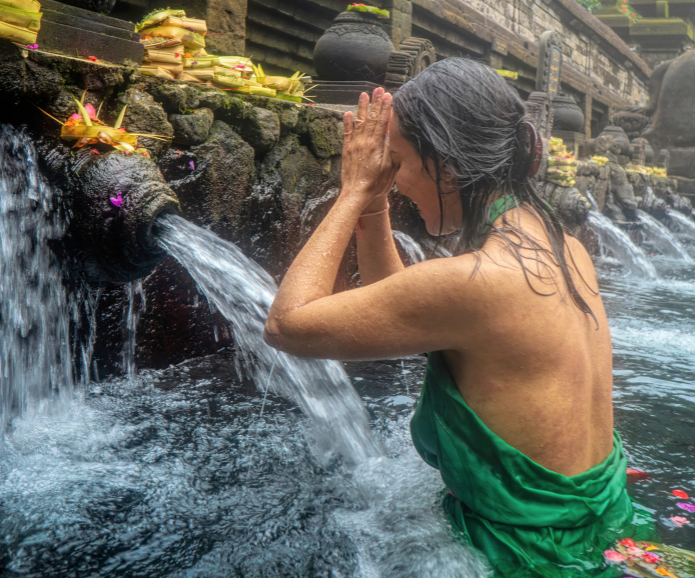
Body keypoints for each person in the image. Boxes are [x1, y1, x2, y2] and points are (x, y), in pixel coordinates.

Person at [263, 59, 651, 577]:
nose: (393, 181)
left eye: (397, 163)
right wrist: (374, 208)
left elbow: (287, 324)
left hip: (527, 560)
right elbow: (401, 307)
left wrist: (353, 190)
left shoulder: (479, 282)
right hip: (607, 533)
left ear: (446, 165)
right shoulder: (565, 249)